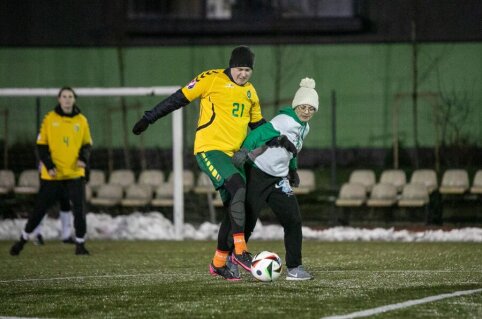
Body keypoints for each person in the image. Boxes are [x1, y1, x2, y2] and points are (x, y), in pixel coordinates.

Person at [132, 46, 266, 280]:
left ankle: (218, 263)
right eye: (239, 68)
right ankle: (240, 251)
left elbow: (259, 126)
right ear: (231, 66)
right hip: (210, 150)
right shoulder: (211, 79)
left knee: (234, 209)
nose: (243, 74)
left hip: (234, 157)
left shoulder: (251, 93)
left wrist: (281, 138)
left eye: (247, 70)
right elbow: (178, 99)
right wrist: (149, 117)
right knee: (238, 187)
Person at [232, 78, 318, 280]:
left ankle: (295, 268)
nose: (306, 111)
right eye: (303, 107)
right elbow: (259, 133)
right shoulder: (283, 121)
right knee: (248, 220)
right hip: (258, 173)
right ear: (296, 106)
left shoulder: (305, 127)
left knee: (293, 220)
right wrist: (244, 150)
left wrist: (293, 170)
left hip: (279, 179)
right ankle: (231, 260)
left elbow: (292, 150)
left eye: (311, 108)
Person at [10, 86, 93, 256]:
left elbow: (87, 144)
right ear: (59, 99)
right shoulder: (50, 119)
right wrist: (49, 165)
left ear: (74, 99)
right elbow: (41, 146)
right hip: (53, 175)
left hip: (75, 173)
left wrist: (83, 159)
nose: (67, 99)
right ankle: (22, 240)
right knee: (40, 209)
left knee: (79, 210)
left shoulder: (81, 120)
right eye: (64, 96)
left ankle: (80, 244)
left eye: (70, 96)